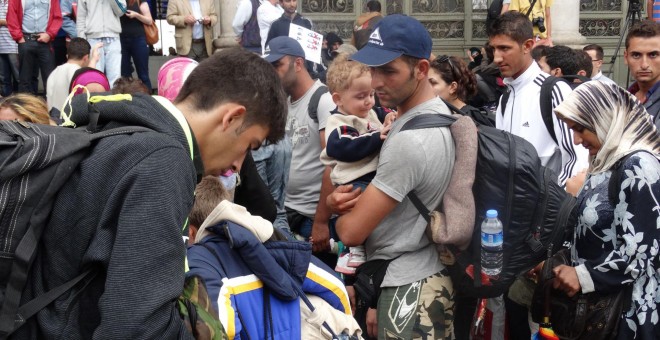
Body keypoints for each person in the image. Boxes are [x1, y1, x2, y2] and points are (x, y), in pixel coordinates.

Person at [12, 47, 287, 339]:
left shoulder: (122, 128)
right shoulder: (164, 161)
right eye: (249, 146)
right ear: (231, 118)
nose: (237, 166)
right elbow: (137, 328)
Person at [328, 14, 456, 339]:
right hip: (419, 277)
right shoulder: (438, 113)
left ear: (422, 69)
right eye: (372, 69)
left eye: (388, 70)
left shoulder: (410, 140)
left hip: (409, 291)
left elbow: (352, 232)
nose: (375, 82)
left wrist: (336, 210)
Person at [489, 11, 588, 339]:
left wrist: (550, 227)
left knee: (546, 321)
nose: (496, 57)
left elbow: (577, 159)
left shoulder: (553, 90)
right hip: (513, 234)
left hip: (548, 236)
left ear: (529, 45)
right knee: (515, 316)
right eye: (493, 49)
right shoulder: (504, 98)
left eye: (504, 48)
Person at [552, 81, 660, 340]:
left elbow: (642, 252)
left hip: (626, 316)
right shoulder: (607, 161)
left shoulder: (638, 165)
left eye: (581, 129)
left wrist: (583, 275)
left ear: (605, 119)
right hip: (598, 310)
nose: (577, 141)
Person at [186, 176, 355, 339]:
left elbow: (224, 329)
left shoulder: (201, 260)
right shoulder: (270, 237)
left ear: (191, 232)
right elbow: (336, 288)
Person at [263, 36, 336, 258]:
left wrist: (321, 221)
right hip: (287, 214)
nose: (274, 73)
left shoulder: (323, 100)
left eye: (278, 65)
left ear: (298, 63)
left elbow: (333, 163)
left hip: (312, 217)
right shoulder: (284, 103)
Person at [319, 53, 384, 273]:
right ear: (338, 99)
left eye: (372, 94)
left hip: (367, 175)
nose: (369, 101)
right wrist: (378, 137)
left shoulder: (369, 113)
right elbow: (344, 147)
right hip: (354, 178)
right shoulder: (339, 122)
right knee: (360, 213)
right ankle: (351, 250)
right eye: (361, 96)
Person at [6, 0, 62, 94]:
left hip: (46, 41)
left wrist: (49, 34)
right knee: (24, 79)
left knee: (50, 78)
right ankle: (25, 107)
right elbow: (11, 16)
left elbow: (57, 17)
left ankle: (50, 107)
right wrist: (19, 37)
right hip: (25, 39)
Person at [429, 54, 494, 126]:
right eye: (426, 83)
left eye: (433, 83)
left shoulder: (473, 120)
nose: (427, 88)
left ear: (452, 87)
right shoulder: (441, 113)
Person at [77, 0, 125, 88]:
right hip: (93, 39)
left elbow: (121, 11)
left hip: (113, 37)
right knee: (95, 77)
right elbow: (81, 18)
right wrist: (82, 42)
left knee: (115, 77)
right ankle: (97, 101)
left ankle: (114, 101)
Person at [47, 38, 100, 112]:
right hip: (69, 121)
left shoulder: (53, 73)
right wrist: (94, 60)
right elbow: (93, 88)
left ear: (67, 55)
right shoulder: (77, 73)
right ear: (86, 58)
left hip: (52, 120)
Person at [625, 20, 660, 129]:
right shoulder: (622, 98)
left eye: (653, 55)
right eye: (636, 55)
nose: (644, 65)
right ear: (626, 58)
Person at [120, 0, 154, 91]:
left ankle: (148, 100)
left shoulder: (140, 1)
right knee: (124, 74)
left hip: (138, 39)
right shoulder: (117, 2)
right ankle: (127, 101)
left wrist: (136, 15)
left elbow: (149, 20)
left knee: (143, 75)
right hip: (121, 40)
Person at [0, 0, 18, 97]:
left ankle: (19, 102)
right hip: (1, 46)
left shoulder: (15, 2)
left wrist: (2, 22)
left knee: (18, 77)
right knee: (3, 78)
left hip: (13, 45)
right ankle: (5, 102)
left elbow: (19, 20)